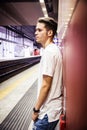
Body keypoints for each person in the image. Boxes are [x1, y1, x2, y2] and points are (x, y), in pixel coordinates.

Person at [32, 17, 63, 130]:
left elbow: (46, 86)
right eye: (36, 30)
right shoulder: (53, 50)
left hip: (47, 112)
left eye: (40, 30)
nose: (36, 33)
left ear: (50, 33)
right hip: (51, 110)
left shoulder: (49, 52)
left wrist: (36, 110)